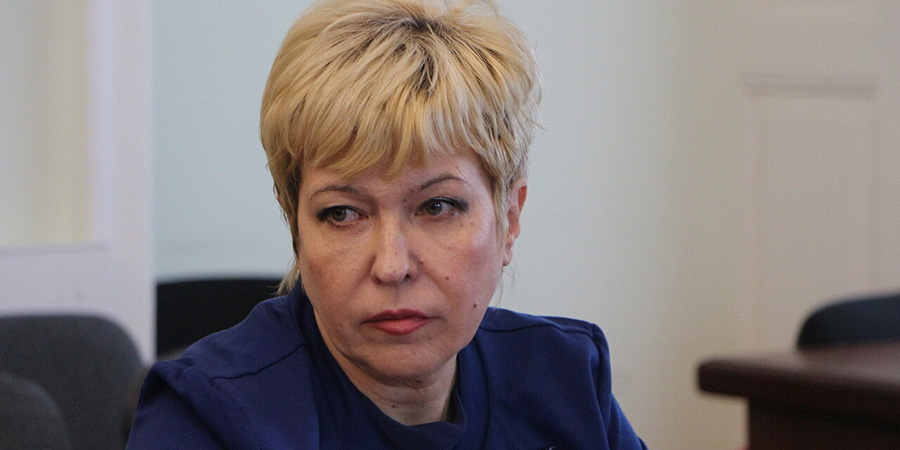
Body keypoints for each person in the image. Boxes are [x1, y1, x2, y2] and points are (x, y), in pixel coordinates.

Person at [127, 0, 647, 448]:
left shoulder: (567, 380)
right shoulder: (206, 416)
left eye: (437, 207)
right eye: (342, 213)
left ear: (509, 219)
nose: (392, 266)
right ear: (295, 226)